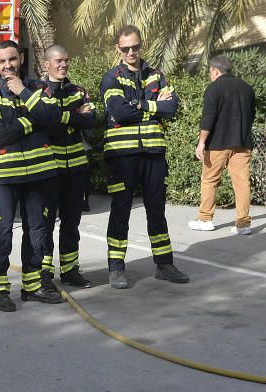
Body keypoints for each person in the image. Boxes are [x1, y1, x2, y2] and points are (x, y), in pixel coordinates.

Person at [100, 26, 189, 289]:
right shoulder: (111, 78)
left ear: (142, 45)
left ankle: (164, 264)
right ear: (118, 49)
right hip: (122, 156)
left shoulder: (156, 75)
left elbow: (172, 107)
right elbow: (119, 112)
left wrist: (139, 104)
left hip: (153, 154)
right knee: (120, 211)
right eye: (125, 48)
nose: (131, 52)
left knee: (157, 210)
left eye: (135, 47)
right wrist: (153, 106)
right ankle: (116, 268)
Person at [0, 40, 63, 312]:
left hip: (39, 176)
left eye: (12, 60)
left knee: (37, 232)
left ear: (21, 58)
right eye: (2, 61)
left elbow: (53, 120)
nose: (8, 66)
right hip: (5, 178)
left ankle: (33, 286)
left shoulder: (38, 89)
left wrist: (25, 94)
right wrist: (31, 121)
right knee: (2, 232)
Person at [37, 44, 96, 289]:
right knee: (46, 223)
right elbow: (45, 125)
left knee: (71, 223)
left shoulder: (78, 91)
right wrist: (74, 117)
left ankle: (70, 270)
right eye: (59, 61)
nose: (63, 65)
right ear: (47, 63)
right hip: (50, 169)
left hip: (76, 170)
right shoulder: (38, 92)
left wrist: (61, 118)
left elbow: (91, 120)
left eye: (67, 61)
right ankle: (44, 273)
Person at [188, 55, 257, 235]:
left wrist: (201, 142)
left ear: (216, 70)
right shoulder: (247, 88)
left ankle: (205, 220)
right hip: (242, 143)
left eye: (210, 71)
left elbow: (208, 119)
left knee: (209, 181)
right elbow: (252, 116)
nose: (210, 74)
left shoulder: (214, 88)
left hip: (217, 144)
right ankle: (243, 225)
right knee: (242, 184)